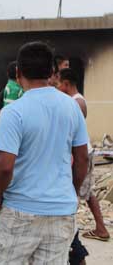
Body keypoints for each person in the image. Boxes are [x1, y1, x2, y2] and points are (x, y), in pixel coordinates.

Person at [0, 42, 89, 264]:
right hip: (61, 213)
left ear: (18, 73)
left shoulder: (13, 112)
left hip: (20, 210)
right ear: (52, 72)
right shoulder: (72, 108)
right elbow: (82, 159)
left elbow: (5, 166)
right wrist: (72, 193)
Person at [59, 68, 110, 242]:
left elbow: (73, 133)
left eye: (59, 83)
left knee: (75, 191)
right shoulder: (76, 100)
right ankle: (100, 228)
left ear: (66, 84)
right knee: (87, 193)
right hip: (82, 152)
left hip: (81, 154)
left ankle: (72, 232)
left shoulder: (76, 103)